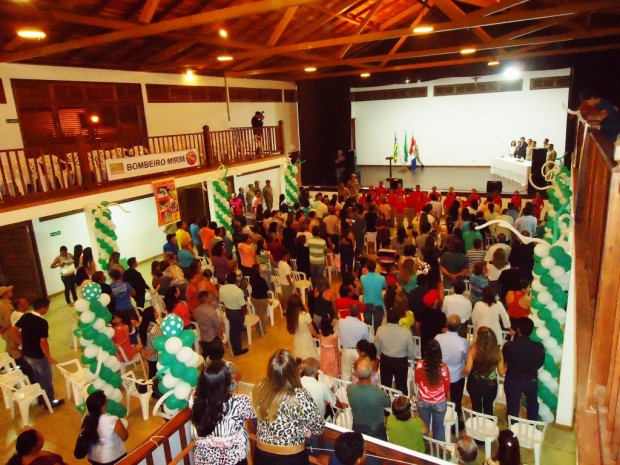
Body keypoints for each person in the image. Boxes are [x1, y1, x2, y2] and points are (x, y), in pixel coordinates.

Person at [252, 349, 324, 465]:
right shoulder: (300, 396)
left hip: (261, 453)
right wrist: (304, 428)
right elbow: (319, 428)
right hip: (291, 457)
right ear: (294, 371)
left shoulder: (259, 387)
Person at [190, 360, 255, 465]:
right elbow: (259, 412)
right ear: (227, 383)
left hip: (204, 460)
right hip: (233, 460)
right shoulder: (239, 402)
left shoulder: (194, 398)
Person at [14, 298, 64, 408]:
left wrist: (22, 344)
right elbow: (43, 342)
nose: (48, 310)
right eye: (47, 308)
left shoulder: (26, 316)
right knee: (46, 378)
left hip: (27, 353)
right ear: (42, 308)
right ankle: (50, 401)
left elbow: (14, 330)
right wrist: (49, 357)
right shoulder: (42, 322)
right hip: (39, 354)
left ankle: (41, 398)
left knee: (36, 376)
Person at [503, 317, 545, 421]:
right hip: (531, 380)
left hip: (513, 379)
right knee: (532, 404)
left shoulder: (509, 346)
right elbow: (540, 363)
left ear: (518, 330)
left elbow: (505, 361)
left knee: (512, 407)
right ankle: (532, 426)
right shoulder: (539, 347)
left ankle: (512, 427)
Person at [435, 314, 469, 428]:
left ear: (446, 324)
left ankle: (440, 419)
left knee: (440, 398)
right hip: (456, 375)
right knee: (456, 400)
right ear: (459, 326)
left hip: (440, 373)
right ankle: (455, 424)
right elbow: (466, 358)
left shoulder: (438, 338)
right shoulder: (463, 342)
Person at [463, 326, 506, 416]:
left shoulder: (473, 349)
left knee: (476, 407)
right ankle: (488, 423)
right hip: (491, 384)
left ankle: (476, 423)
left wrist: (462, 373)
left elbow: (468, 369)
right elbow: (501, 372)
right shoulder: (497, 351)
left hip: (475, 383)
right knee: (488, 407)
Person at [414, 339, 450, 441]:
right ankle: (438, 450)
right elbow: (447, 387)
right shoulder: (443, 368)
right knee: (438, 429)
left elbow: (417, 382)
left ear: (426, 352)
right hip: (439, 402)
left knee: (424, 428)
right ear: (439, 353)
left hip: (423, 401)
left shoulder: (420, 364)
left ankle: (425, 448)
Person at [374, 307, 416, 395]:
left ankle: (386, 401)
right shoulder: (406, 333)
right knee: (402, 387)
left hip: (385, 360)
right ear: (399, 319)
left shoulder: (380, 329)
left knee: (385, 386)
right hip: (401, 361)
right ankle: (402, 402)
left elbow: (377, 349)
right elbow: (411, 354)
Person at [347, 358, 391, 440]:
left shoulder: (350, 389)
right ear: (371, 373)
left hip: (357, 426)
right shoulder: (379, 393)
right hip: (376, 430)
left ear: (356, 374)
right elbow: (388, 403)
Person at [83, 391, 128, 465]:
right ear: (104, 404)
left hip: (93, 457)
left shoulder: (86, 420)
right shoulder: (112, 420)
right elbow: (124, 436)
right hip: (112, 458)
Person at [338, 303, 370, 381]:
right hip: (358, 352)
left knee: (345, 373)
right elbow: (366, 340)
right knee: (361, 373)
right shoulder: (363, 326)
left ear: (348, 311)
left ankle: (345, 388)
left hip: (346, 350)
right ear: (359, 312)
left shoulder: (341, 322)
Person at [220, 272, 248, 356]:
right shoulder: (238, 291)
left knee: (233, 329)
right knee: (237, 331)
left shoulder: (222, 288)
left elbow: (222, 300)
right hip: (237, 313)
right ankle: (237, 350)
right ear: (236, 280)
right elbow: (243, 305)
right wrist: (245, 312)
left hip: (228, 311)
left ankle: (234, 346)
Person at [287, 293, 318, 360]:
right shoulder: (305, 315)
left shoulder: (290, 315)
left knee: (299, 358)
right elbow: (312, 330)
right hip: (306, 340)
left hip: (297, 339)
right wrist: (318, 336)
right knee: (310, 359)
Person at [360, 259, 386, 332]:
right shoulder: (382, 278)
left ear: (367, 267)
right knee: (378, 327)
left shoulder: (362, 278)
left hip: (367, 304)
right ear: (375, 267)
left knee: (367, 327)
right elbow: (384, 287)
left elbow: (362, 288)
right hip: (379, 304)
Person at [138, 306, 161, 380]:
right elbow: (159, 342)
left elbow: (140, 340)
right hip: (156, 355)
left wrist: (144, 352)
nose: (157, 312)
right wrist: (150, 352)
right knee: (156, 374)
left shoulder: (143, 326)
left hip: (148, 354)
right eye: (155, 311)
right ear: (152, 314)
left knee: (152, 371)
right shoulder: (155, 327)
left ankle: (150, 384)